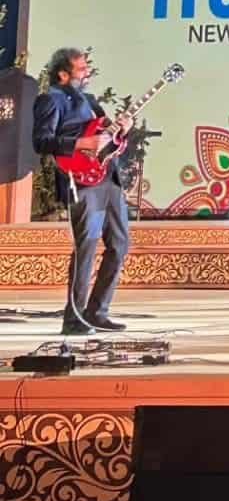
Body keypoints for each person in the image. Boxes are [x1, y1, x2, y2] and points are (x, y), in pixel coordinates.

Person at [32, 48, 132, 334]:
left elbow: (106, 138)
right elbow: (42, 141)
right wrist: (80, 144)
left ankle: (97, 312)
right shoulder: (51, 100)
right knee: (87, 246)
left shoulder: (90, 101)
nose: (87, 73)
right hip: (81, 182)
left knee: (120, 244)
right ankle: (74, 318)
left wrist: (123, 129)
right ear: (63, 75)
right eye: (81, 69)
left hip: (108, 179)